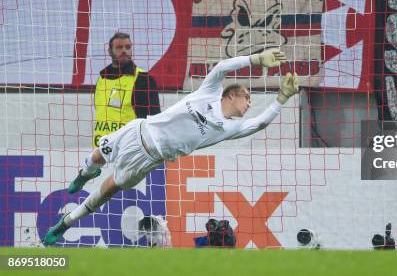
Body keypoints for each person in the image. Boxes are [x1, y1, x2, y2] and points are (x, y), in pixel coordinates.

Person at [43, 49, 298, 245]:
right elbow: (222, 66)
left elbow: (261, 123)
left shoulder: (230, 128)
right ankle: (84, 173)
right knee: (97, 155)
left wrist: (282, 98)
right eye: (247, 96)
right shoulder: (208, 92)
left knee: (106, 191)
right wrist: (256, 59)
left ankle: (65, 223)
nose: (249, 103)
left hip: (149, 160)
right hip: (139, 131)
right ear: (230, 95)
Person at [92, 32, 160, 151]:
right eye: (119, 47)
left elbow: (153, 120)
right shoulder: (101, 79)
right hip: (101, 151)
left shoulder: (143, 79)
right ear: (109, 51)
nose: (124, 51)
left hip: (129, 150)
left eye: (128, 47)